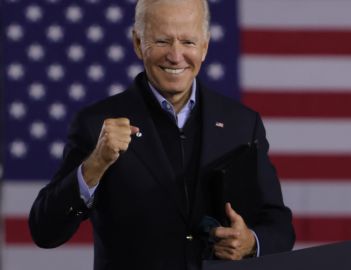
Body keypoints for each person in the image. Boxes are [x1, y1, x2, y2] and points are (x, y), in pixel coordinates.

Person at [28, 0, 295, 269]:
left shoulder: (242, 124)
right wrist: (95, 165)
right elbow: (44, 231)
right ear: (137, 42)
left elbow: (280, 226)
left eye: (188, 42)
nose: (176, 56)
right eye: (162, 41)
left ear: (205, 46)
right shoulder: (95, 124)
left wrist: (251, 243)